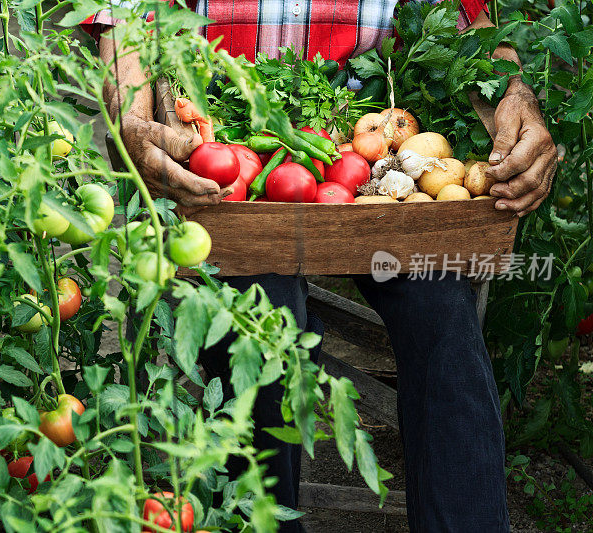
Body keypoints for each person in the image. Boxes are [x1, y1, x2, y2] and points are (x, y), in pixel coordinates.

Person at [85, 1, 558, 531]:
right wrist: (131, 113)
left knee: (444, 319)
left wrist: (515, 100)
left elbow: (471, 31)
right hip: (229, 160)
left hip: (381, 162)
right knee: (259, 326)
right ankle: (263, 522)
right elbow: (129, 15)